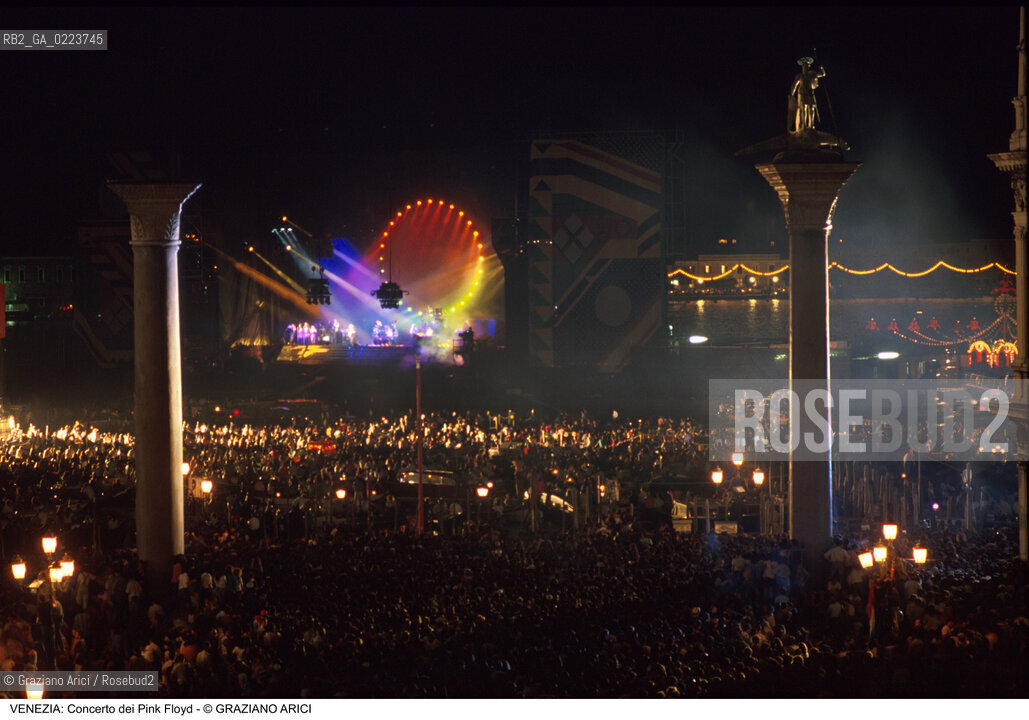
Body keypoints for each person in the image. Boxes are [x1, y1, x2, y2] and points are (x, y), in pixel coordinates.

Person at [788, 57, 825, 133]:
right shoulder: (800, 76)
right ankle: (803, 126)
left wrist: (821, 68)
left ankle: (811, 125)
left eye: (807, 66)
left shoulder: (812, 74)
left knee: (811, 109)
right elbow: (794, 85)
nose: (806, 68)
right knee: (803, 110)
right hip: (802, 94)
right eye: (805, 66)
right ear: (802, 67)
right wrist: (791, 94)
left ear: (809, 67)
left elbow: (822, 74)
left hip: (810, 94)